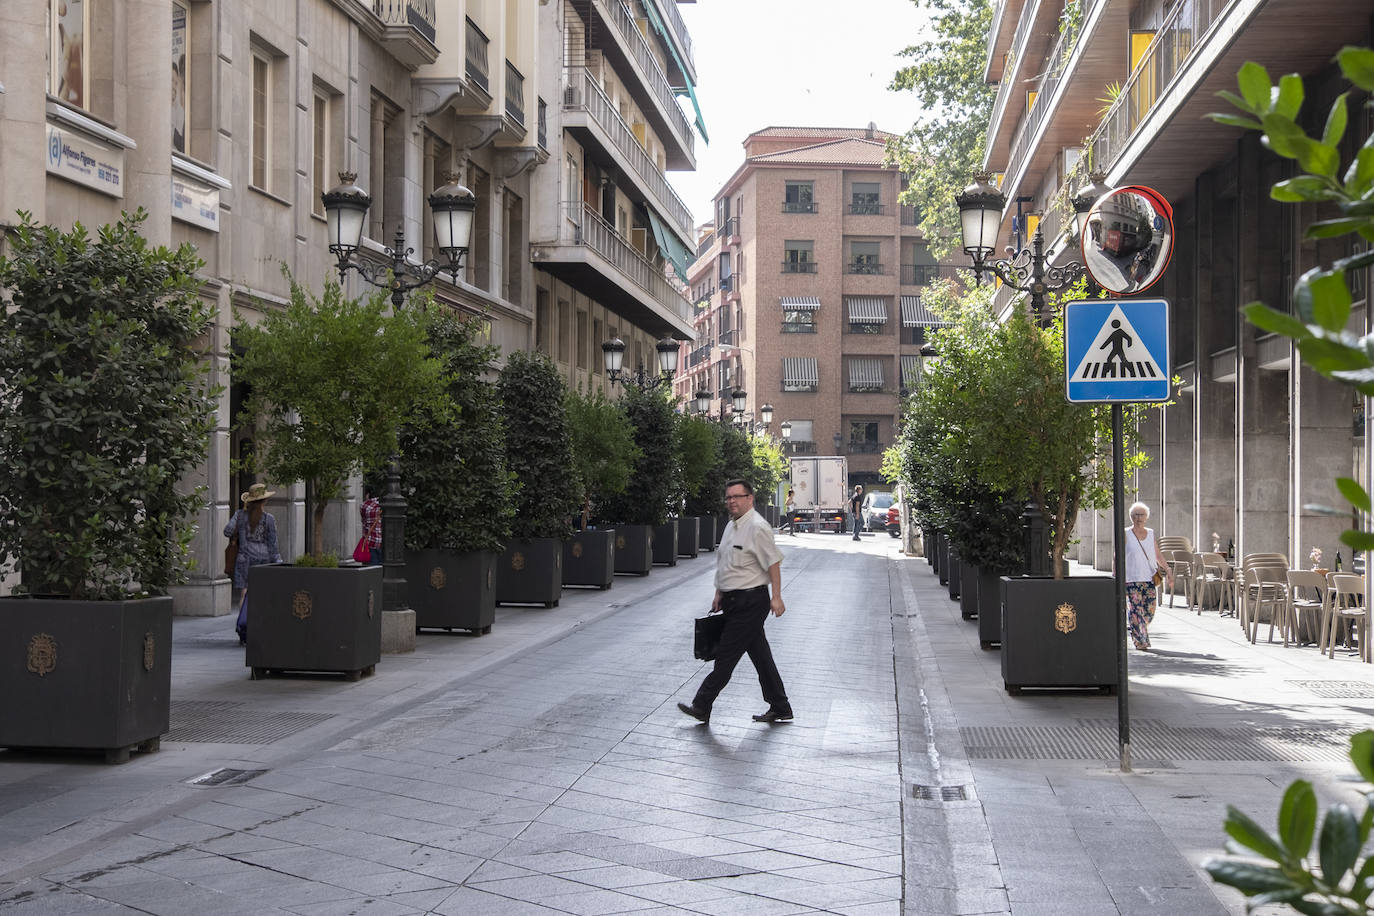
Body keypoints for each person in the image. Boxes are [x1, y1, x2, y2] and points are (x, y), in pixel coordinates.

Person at [678, 479, 792, 725]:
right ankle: (780, 705)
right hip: (732, 600)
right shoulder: (731, 526)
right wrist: (719, 592)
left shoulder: (757, 527)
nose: (731, 501)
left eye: (737, 497)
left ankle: (702, 704)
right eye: (728, 497)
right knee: (761, 656)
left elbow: (773, 562)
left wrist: (777, 597)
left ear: (750, 498)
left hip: (751, 602)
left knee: (725, 657)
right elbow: (725, 563)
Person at [224, 483, 282, 645]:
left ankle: (244, 626)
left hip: (244, 559)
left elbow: (227, 531)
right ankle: (257, 627)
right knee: (260, 595)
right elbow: (273, 544)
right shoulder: (268, 519)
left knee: (244, 593)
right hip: (263, 560)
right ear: (264, 502)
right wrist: (278, 562)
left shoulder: (240, 516)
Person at [1124, 501, 1172, 651]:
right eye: (1136, 515)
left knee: (1149, 610)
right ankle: (1140, 641)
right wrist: (1115, 574)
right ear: (1131, 517)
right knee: (1136, 610)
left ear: (1147, 517)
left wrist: (1168, 570)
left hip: (1149, 578)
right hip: (1131, 579)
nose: (1139, 518)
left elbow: (1157, 555)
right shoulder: (1126, 533)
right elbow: (1116, 555)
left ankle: (1138, 628)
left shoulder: (1150, 533)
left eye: (1142, 515)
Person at [360, 486, 382, 564]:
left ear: (368, 494)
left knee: (372, 569)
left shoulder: (364, 506)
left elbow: (363, 521)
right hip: (382, 541)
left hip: (370, 541)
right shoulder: (382, 505)